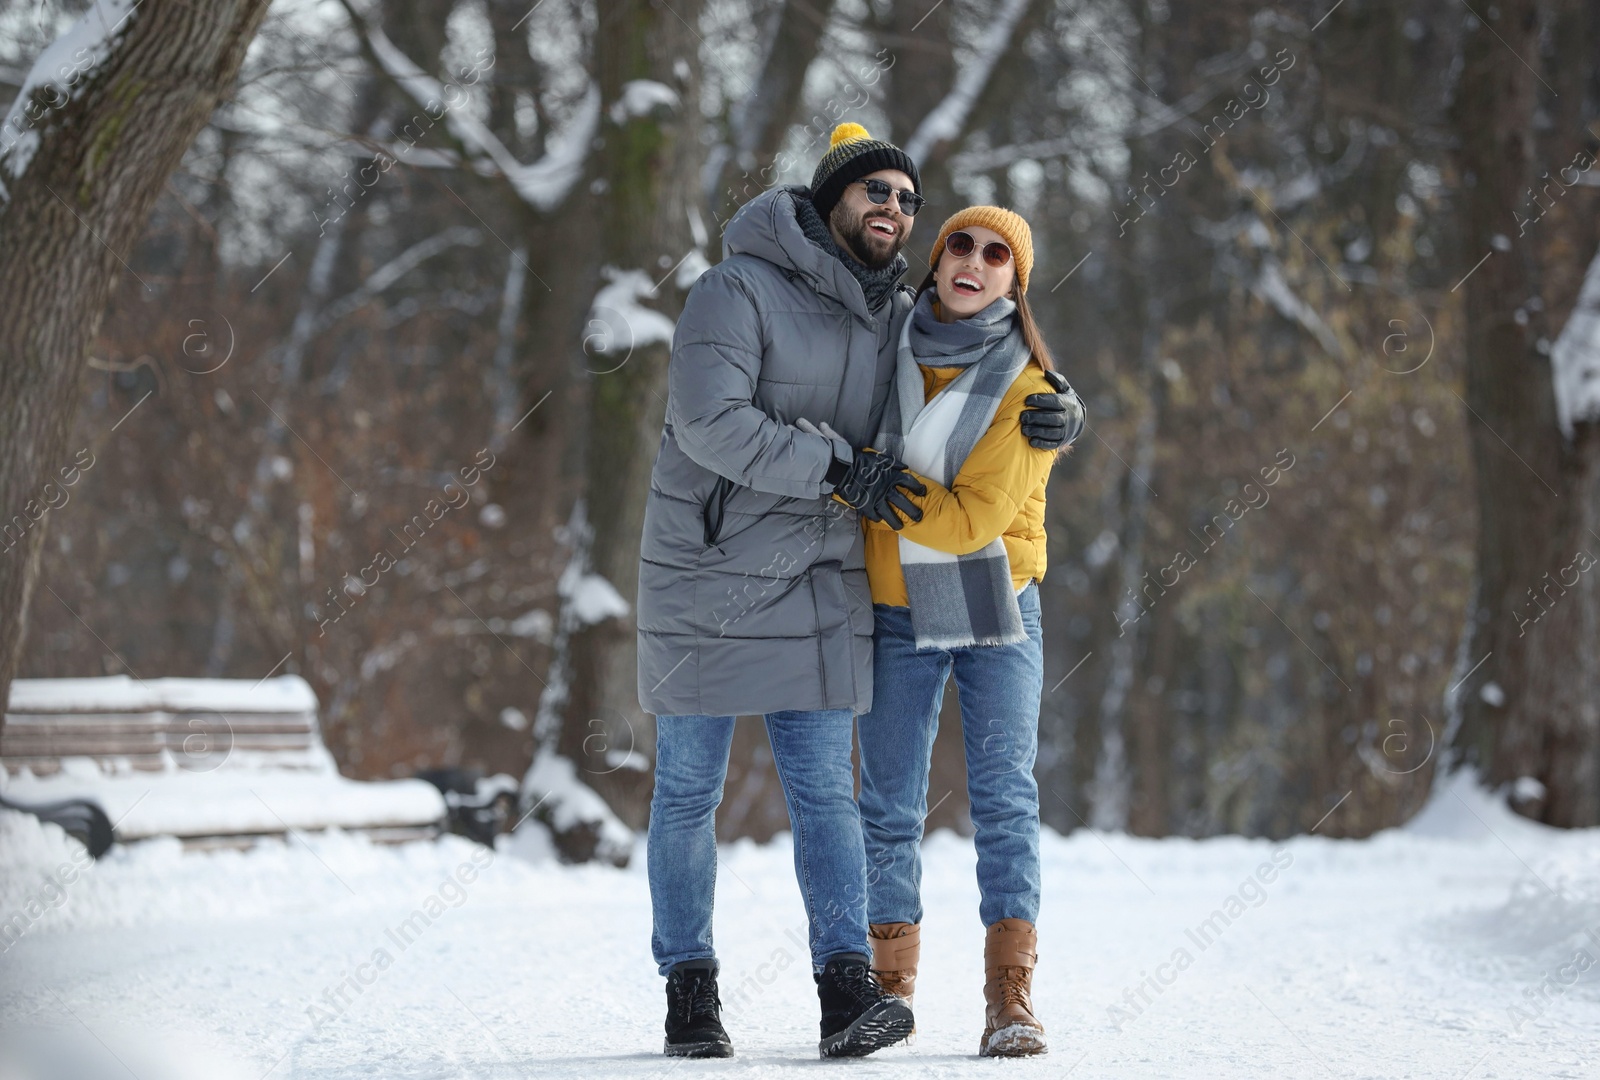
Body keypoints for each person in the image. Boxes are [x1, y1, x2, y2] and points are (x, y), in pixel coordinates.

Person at [635, 125, 1079, 1059]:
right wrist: (844, 474)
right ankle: (690, 991)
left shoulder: (888, 311)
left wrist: (1065, 410)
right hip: (708, 573)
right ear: (830, 195)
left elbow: (977, 373)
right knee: (687, 790)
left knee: (831, 796)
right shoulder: (733, 289)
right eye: (877, 192)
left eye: (909, 201)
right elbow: (710, 424)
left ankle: (851, 992)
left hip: (825, 577)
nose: (895, 212)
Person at [851, 206, 1083, 1058]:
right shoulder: (884, 349)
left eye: (997, 255)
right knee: (887, 803)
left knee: (1003, 795)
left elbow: (965, 522)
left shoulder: (1031, 392)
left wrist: (857, 487)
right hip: (895, 603)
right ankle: (887, 992)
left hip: (994, 600)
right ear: (938, 256)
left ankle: (1009, 998)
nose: (974, 261)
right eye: (960, 243)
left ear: (1013, 283)